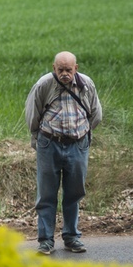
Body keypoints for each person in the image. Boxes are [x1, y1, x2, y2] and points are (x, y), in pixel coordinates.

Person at [24, 51, 102, 255]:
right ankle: (46, 240)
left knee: (74, 192)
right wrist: (38, 140)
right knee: (46, 194)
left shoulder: (86, 84)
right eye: (61, 70)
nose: (65, 74)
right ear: (54, 68)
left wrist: (82, 133)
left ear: (76, 68)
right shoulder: (44, 85)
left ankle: (71, 237)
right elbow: (32, 115)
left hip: (78, 144)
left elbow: (96, 114)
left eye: (69, 70)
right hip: (49, 143)